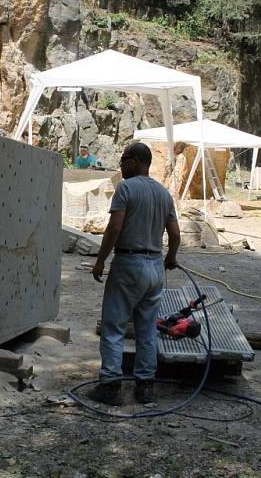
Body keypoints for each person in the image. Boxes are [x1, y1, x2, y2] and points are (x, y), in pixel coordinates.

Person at [89, 142, 180, 406]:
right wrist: (170, 258)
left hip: (128, 263)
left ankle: (110, 386)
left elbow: (114, 229)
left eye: (124, 159)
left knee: (114, 327)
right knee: (147, 329)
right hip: (154, 267)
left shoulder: (126, 188)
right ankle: (145, 387)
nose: (121, 164)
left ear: (138, 160)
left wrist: (100, 262)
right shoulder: (164, 194)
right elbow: (174, 234)